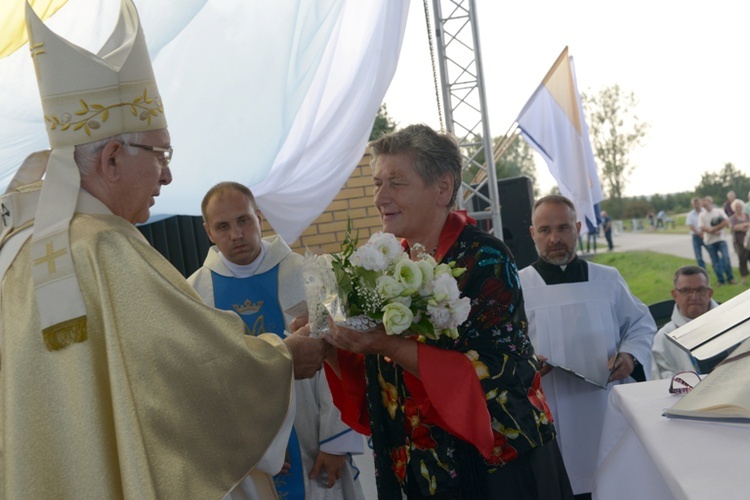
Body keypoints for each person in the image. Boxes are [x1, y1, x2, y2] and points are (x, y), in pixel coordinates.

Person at [0, 3, 328, 498]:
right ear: (112, 159)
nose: (168, 175)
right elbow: (195, 376)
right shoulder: (104, 247)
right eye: (160, 154)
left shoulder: (18, 247)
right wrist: (284, 360)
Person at [322, 125, 573, 498]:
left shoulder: (485, 258)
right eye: (377, 183)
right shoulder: (385, 264)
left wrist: (387, 344)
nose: (380, 197)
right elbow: (383, 374)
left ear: (442, 188)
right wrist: (332, 340)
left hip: (496, 467)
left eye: (396, 183)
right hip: (425, 471)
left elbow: (497, 371)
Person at [188, 182, 366, 500]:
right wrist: (249, 450)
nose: (236, 234)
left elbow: (345, 353)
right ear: (208, 232)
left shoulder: (315, 273)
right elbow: (200, 384)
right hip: (244, 457)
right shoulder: (193, 295)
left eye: (243, 220)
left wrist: (336, 440)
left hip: (315, 441)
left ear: (258, 216)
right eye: (223, 226)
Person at [518, 195, 656, 498]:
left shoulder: (607, 279)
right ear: (532, 233)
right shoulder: (519, 285)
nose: (555, 238)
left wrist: (630, 356)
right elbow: (506, 345)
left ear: (578, 228)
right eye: (545, 230)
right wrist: (527, 361)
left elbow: (640, 324)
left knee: (613, 482)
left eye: (564, 228)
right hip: (549, 409)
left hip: (605, 407)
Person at [651, 266, 719, 379]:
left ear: (710, 293)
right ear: (675, 295)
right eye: (686, 291)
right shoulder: (663, 338)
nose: (694, 296)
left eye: (700, 290)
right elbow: (659, 383)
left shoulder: (733, 323)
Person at [698, 195, 736, 285]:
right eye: (703, 206)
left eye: (706, 205)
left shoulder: (719, 211)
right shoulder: (702, 215)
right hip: (710, 241)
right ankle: (721, 280)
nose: (705, 207)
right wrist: (712, 231)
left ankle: (730, 277)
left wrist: (714, 229)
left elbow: (726, 221)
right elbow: (702, 227)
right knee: (715, 262)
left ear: (710, 203)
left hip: (721, 239)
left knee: (726, 258)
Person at [728, 199, 750, 285]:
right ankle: (744, 280)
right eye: (736, 207)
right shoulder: (732, 218)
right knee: (742, 260)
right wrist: (746, 225)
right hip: (739, 242)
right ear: (734, 208)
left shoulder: (747, 215)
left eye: (740, 206)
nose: (738, 208)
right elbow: (734, 228)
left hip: (749, 241)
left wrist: (741, 227)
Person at [686, 197, 707, 269]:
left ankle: (720, 269)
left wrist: (703, 232)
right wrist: (698, 233)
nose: (697, 205)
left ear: (701, 203)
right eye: (695, 204)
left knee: (712, 253)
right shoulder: (690, 215)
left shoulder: (705, 212)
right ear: (693, 205)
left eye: (698, 203)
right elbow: (691, 226)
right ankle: (703, 270)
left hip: (706, 234)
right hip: (696, 236)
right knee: (698, 256)